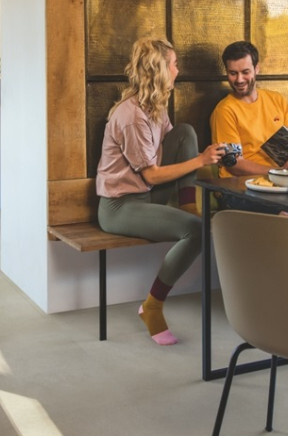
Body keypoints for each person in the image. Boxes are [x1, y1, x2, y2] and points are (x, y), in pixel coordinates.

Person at [96, 37, 226, 346]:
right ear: (160, 70)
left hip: (147, 193)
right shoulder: (130, 116)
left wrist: (217, 163)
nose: (178, 70)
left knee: (185, 133)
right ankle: (152, 306)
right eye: (174, 65)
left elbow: (175, 147)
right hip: (119, 206)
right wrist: (201, 160)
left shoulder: (155, 106)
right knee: (196, 231)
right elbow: (152, 173)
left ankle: (189, 208)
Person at [210, 40, 288, 177]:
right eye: (233, 73)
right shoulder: (225, 111)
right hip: (243, 183)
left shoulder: (276, 99)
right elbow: (234, 164)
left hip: (282, 178)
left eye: (245, 72)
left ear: (256, 69)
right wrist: (279, 172)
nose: (239, 79)